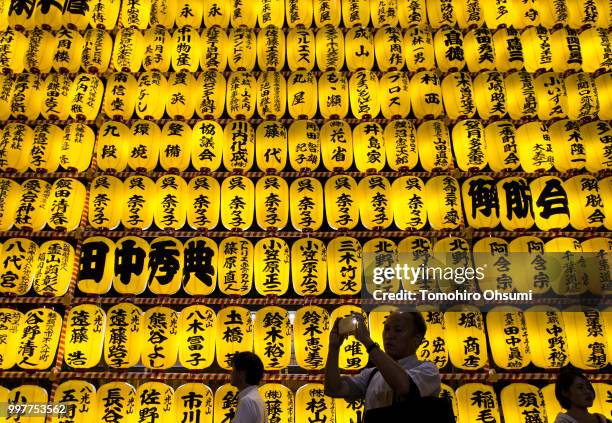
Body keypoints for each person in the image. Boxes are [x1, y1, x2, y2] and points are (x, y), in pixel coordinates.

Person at [324, 311, 441, 415]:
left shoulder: (428, 370)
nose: (389, 335)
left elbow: (404, 387)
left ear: (416, 338)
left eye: (398, 330)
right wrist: (334, 347)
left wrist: (368, 342)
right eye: (387, 329)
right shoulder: (372, 374)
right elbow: (333, 389)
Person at [230, 351, 267, 423]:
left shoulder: (247, 401)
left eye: (233, 370)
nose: (231, 374)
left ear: (241, 374)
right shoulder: (256, 398)